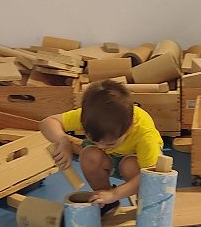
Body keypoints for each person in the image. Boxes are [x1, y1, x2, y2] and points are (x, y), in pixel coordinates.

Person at [39, 80, 164, 214]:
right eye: (94, 141)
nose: (101, 147)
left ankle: (145, 202)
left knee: (129, 166)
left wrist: (115, 193)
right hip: (111, 159)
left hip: (138, 166)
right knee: (89, 155)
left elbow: (151, 175)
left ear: (130, 127)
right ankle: (104, 200)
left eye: (109, 144)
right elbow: (48, 122)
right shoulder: (92, 116)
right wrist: (62, 141)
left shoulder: (145, 134)